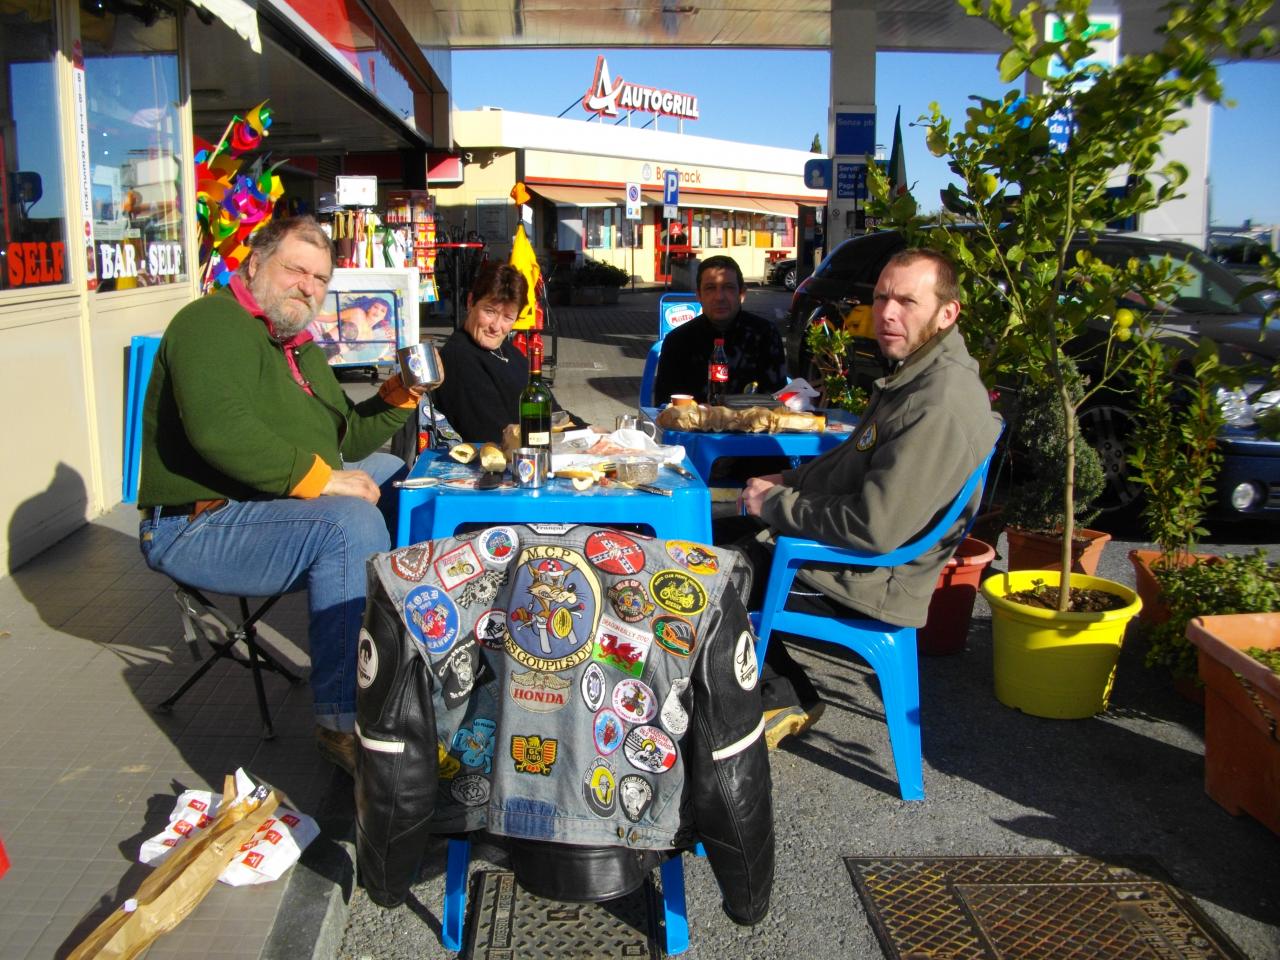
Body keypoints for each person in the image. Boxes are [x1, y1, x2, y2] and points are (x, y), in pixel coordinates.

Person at [135, 216, 423, 775]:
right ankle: (342, 722)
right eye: (296, 269)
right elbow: (220, 430)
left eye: (319, 278)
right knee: (346, 523)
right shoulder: (210, 322)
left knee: (394, 473)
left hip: (258, 506)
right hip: (196, 523)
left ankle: (404, 654)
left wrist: (400, 394)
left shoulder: (295, 343)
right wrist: (321, 482)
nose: (307, 286)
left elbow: (343, 439)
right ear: (255, 264)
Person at [727, 249, 1001, 747]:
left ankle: (780, 694)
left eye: (906, 301)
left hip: (873, 581)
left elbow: (875, 527)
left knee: (713, 573)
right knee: (711, 534)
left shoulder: (936, 403)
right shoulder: (913, 377)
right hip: (860, 562)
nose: (888, 313)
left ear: (947, 313)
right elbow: (847, 464)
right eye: (881, 298)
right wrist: (789, 482)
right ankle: (773, 688)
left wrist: (775, 506)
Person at [433, 261, 582, 444]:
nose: (496, 327)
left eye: (507, 317)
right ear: (471, 302)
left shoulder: (508, 352)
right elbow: (493, 435)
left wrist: (592, 432)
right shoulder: (459, 359)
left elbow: (552, 412)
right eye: (489, 312)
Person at [652, 255, 788, 405]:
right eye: (710, 288)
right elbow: (665, 404)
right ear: (699, 295)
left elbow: (775, 400)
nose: (719, 297)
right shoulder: (677, 341)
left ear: (742, 294)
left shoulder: (765, 335)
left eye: (728, 287)